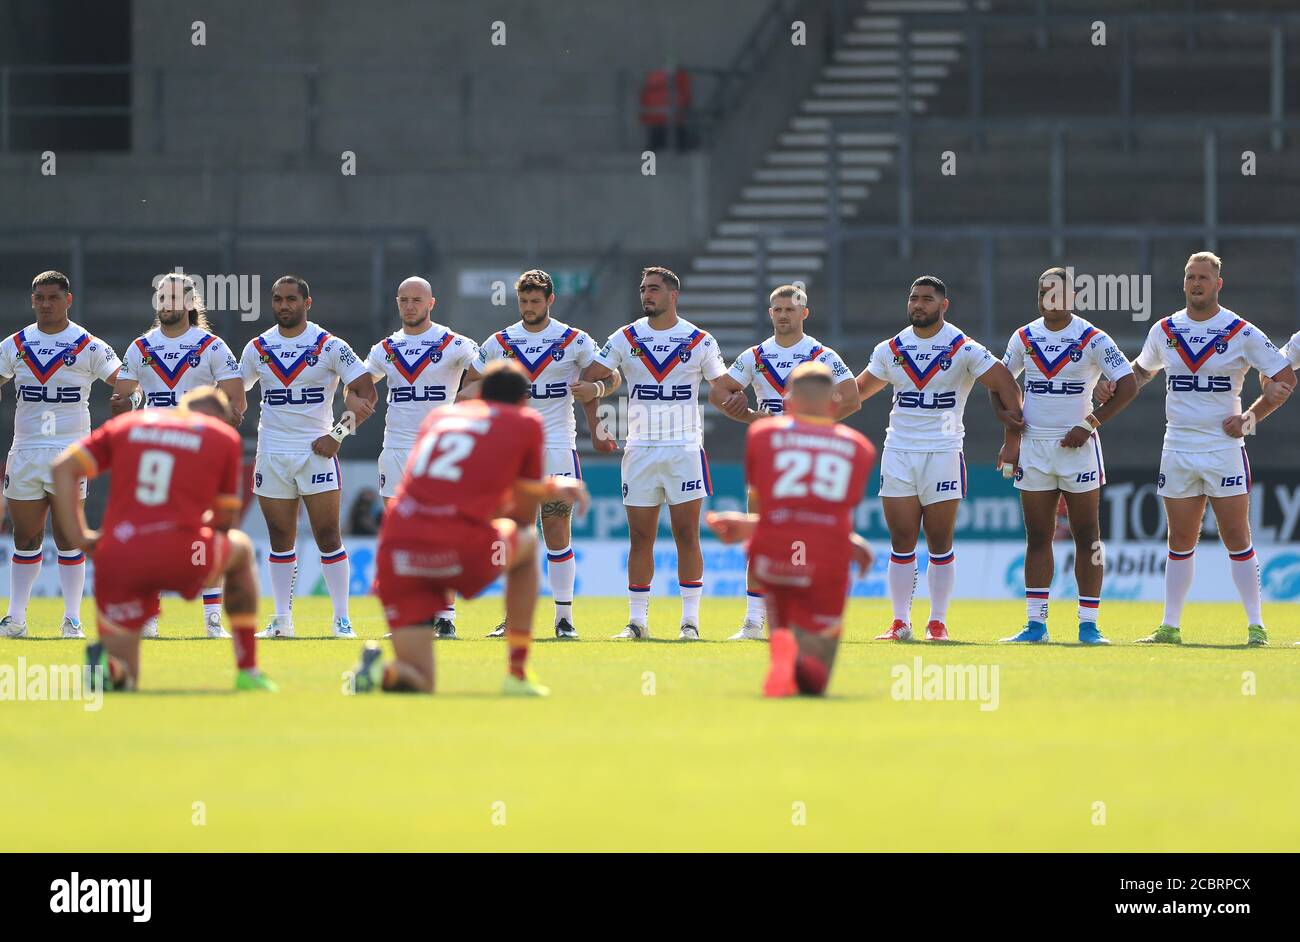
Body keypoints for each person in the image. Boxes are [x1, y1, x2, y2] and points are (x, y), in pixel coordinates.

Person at [353, 360, 589, 696]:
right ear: (524, 400)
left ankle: (376, 672)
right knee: (527, 542)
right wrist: (547, 489)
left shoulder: (439, 417)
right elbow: (520, 516)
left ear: (479, 394)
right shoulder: (525, 422)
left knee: (418, 679)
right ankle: (517, 674)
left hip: (397, 551)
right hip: (456, 547)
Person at [47, 386, 276, 692]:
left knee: (126, 678)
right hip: (185, 551)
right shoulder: (222, 437)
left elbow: (62, 467)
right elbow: (225, 522)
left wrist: (81, 537)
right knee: (243, 550)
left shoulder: (127, 425)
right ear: (219, 419)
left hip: (120, 554)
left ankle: (112, 667)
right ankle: (248, 670)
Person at [1120, 252, 1295, 646]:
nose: (1196, 283)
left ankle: (1256, 626)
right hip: (1178, 445)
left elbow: (1283, 378)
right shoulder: (1165, 329)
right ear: (1183, 284)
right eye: (1190, 277)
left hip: (1223, 447)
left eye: (1203, 277)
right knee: (1179, 540)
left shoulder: (1241, 331)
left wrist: (1250, 418)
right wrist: (1112, 385)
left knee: (1237, 535)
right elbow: (1141, 372)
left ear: (1219, 284)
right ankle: (1169, 626)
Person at [855, 275, 1023, 642]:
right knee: (901, 539)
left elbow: (1006, 384)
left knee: (939, 540)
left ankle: (938, 621)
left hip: (944, 451)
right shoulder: (891, 348)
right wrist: (814, 410)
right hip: (898, 451)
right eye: (914, 298)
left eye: (927, 299)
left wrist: (1012, 439)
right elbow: (858, 392)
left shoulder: (963, 348)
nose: (918, 305)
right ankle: (900, 622)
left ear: (943, 305)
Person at [707, 363, 875, 696]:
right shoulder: (859, 447)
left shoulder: (763, 435)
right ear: (834, 402)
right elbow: (832, 511)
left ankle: (783, 661)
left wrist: (748, 526)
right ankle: (806, 669)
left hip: (774, 550)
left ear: (789, 401)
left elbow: (765, 502)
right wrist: (852, 542)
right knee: (816, 675)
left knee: (782, 626)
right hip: (828, 555)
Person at [579, 266, 729, 640]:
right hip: (640, 448)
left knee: (686, 535)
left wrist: (751, 408)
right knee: (640, 537)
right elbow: (591, 378)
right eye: (643, 289)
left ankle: (690, 623)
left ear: (673, 295)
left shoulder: (699, 340)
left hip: (683, 448)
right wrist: (597, 423)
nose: (646, 295)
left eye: (654, 289)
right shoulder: (626, 336)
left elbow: (723, 386)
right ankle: (637, 623)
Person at [465, 268, 612, 640]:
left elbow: (611, 377)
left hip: (557, 445)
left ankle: (564, 619)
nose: (529, 307)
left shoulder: (574, 340)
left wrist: (595, 387)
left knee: (558, 531)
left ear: (550, 300)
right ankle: (511, 617)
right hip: (511, 451)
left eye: (535, 301)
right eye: (523, 301)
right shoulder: (500, 341)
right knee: (514, 533)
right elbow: (470, 384)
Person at [994, 267, 1138, 645]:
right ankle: (1035, 625)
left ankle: (1089, 625)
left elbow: (1128, 384)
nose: (1050, 298)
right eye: (1044, 292)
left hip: (1079, 447)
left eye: (1058, 292)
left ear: (1072, 297)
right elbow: (1000, 381)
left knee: (1087, 536)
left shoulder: (1092, 337)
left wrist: (1090, 423)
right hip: (1035, 448)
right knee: (1038, 536)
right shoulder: (1024, 336)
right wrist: (1008, 425)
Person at [708, 283, 861, 640]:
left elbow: (852, 397)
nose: (782, 315)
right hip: (768, 458)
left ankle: (797, 614)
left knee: (805, 535)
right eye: (776, 309)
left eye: (789, 309)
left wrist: (812, 427)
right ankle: (753, 621)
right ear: (770, 313)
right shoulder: (756, 356)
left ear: (804, 313)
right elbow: (720, 390)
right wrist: (745, 414)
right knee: (762, 536)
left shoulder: (821, 355)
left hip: (807, 460)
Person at [239, 275, 378, 640]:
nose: (284, 306)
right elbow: (236, 391)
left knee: (328, 536)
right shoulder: (258, 347)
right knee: (279, 538)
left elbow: (365, 391)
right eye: (278, 299)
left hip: (315, 453)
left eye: (291, 299)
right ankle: (282, 620)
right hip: (271, 452)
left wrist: (338, 435)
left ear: (307, 303)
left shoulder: (329, 345)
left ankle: (342, 619)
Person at [111, 271, 247, 640]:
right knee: (149, 534)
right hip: (154, 456)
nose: (167, 304)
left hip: (198, 455)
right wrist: (129, 403)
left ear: (189, 303)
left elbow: (237, 402)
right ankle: (150, 615)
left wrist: (220, 423)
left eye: (174, 297)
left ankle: (212, 618)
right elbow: (124, 399)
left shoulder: (212, 346)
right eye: (162, 298)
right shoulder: (140, 347)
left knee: (208, 532)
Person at [0, 271, 121, 639]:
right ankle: (16, 618)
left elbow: (123, 381)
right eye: (39, 298)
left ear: (68, 300)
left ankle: (72, 619)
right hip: (25, 450)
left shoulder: (88, 344)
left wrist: (129, 399)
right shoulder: (15, 344)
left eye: (53, 297)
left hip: (70, 453)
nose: (45, 304)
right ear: (32, 300)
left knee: (69, 536)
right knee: (25, 537)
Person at [363, 276, 478, 635]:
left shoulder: (454, 343)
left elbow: (485, 377)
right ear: (397, 303)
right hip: (395, 447)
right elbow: (360, 385)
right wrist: (357, 403)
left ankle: (445, 617)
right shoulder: (385, 349)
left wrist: (465, 397)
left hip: (438, 450)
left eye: (416, 300)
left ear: (432, 303)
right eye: (403, 300)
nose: (409, 306)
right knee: (400, 537)